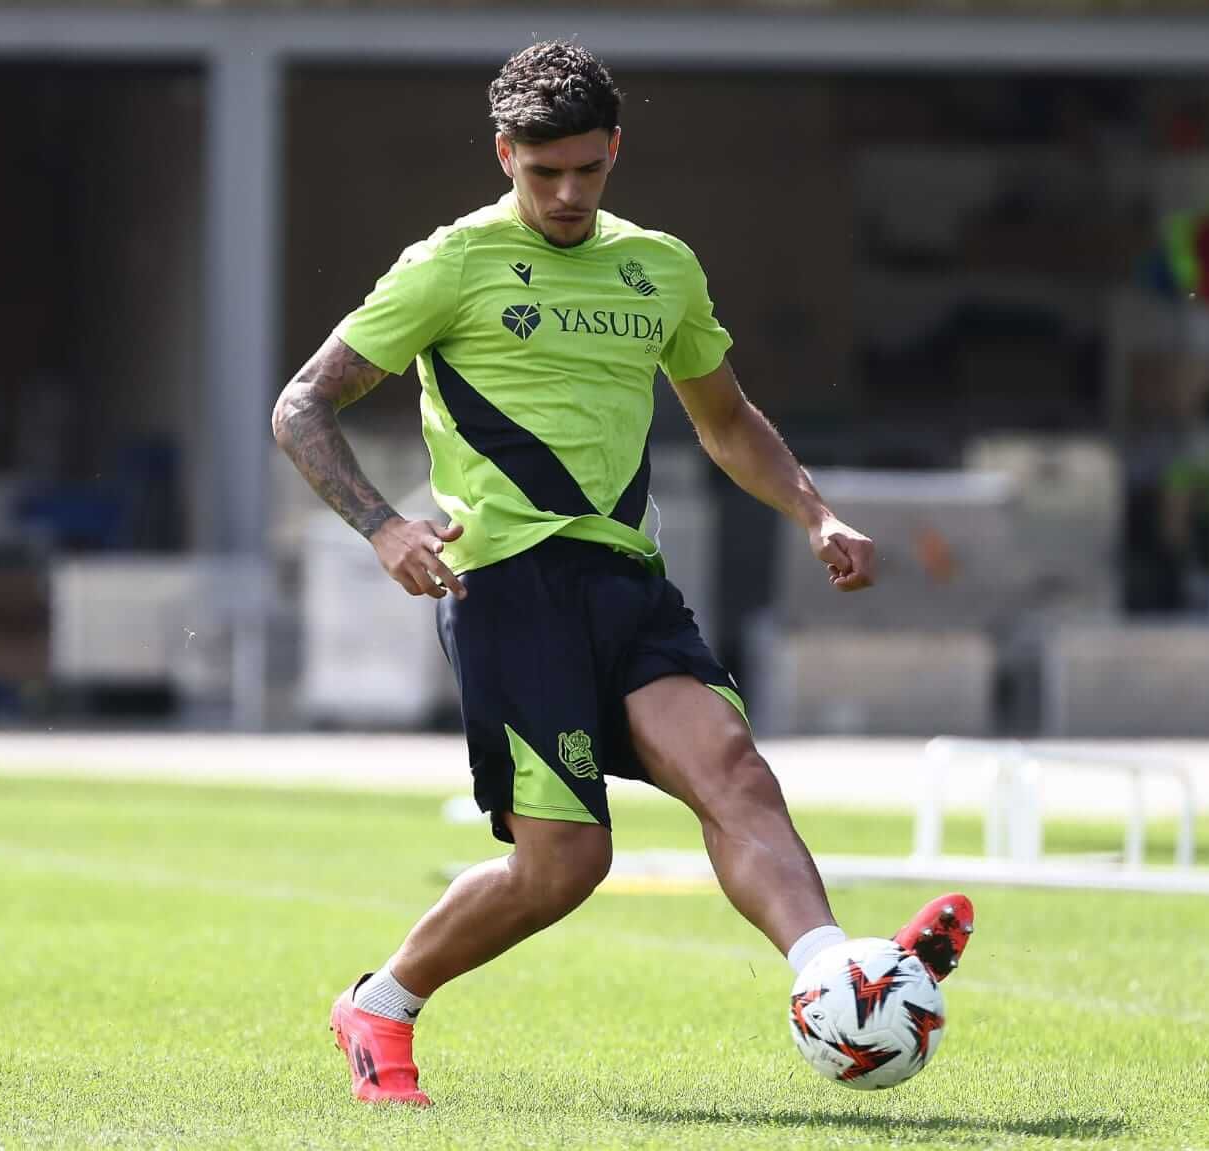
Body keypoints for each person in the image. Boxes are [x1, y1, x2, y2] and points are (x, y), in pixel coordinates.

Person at [271, 40, 975, 1107]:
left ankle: (835, 972)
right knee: (565, 863)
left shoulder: (660, 267)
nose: (563, 193)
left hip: (626, 579)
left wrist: (813, 509)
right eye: (539, 171)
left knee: (732, 769)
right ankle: (381, 1003)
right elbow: (302, 405)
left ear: (613, 153)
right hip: (506, 585)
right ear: (504, 153)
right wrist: (380, 527)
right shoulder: (447, 265)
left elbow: (726, 420)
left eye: (585, 171)